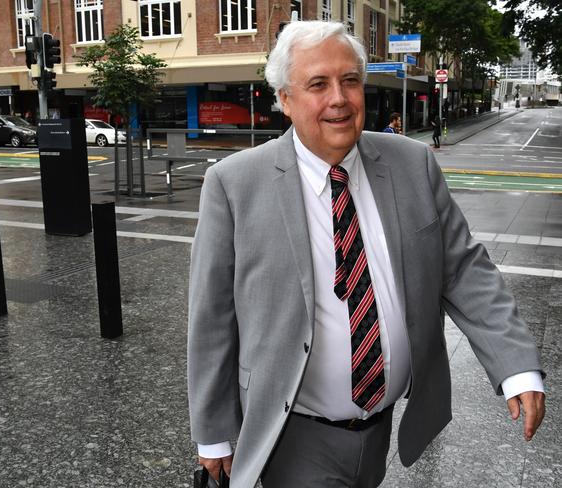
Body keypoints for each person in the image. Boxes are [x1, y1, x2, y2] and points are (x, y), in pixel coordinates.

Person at [187, 21, 545, 488]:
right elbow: (212, 316)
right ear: (285, 100)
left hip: (380, 429)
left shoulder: (411, 163)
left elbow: (462, 268)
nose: (338, 98)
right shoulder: (234, 184)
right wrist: (213, 430)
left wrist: (515, 365)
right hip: (292, 436)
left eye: (349, 80)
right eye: (318, 84)